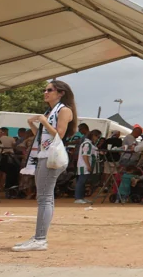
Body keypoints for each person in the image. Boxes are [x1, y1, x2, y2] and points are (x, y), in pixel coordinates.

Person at [14, 80, 77, 252]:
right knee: (44, 197)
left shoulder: (64, 110)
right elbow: (42, 137)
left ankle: (40, 239)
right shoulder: (51, 111)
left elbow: (59, 135)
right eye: (45, 90)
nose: (45, 92)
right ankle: (39, 237)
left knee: (44, 198)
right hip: (45, 155)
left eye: (49, 90)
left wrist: (44, 121)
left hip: (51, 157)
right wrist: (33, 124)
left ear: (61, 92)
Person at [75, 129, 102, 204]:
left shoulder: (90, 144)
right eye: (97, 137)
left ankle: (81, 197)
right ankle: (78, 197)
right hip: (84, 165)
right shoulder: (87, 144)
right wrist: (88, 165)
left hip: (85, 164)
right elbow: (85, 155)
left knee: (83, 182)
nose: (97, 139)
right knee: (81, 181)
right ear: (93, 136)